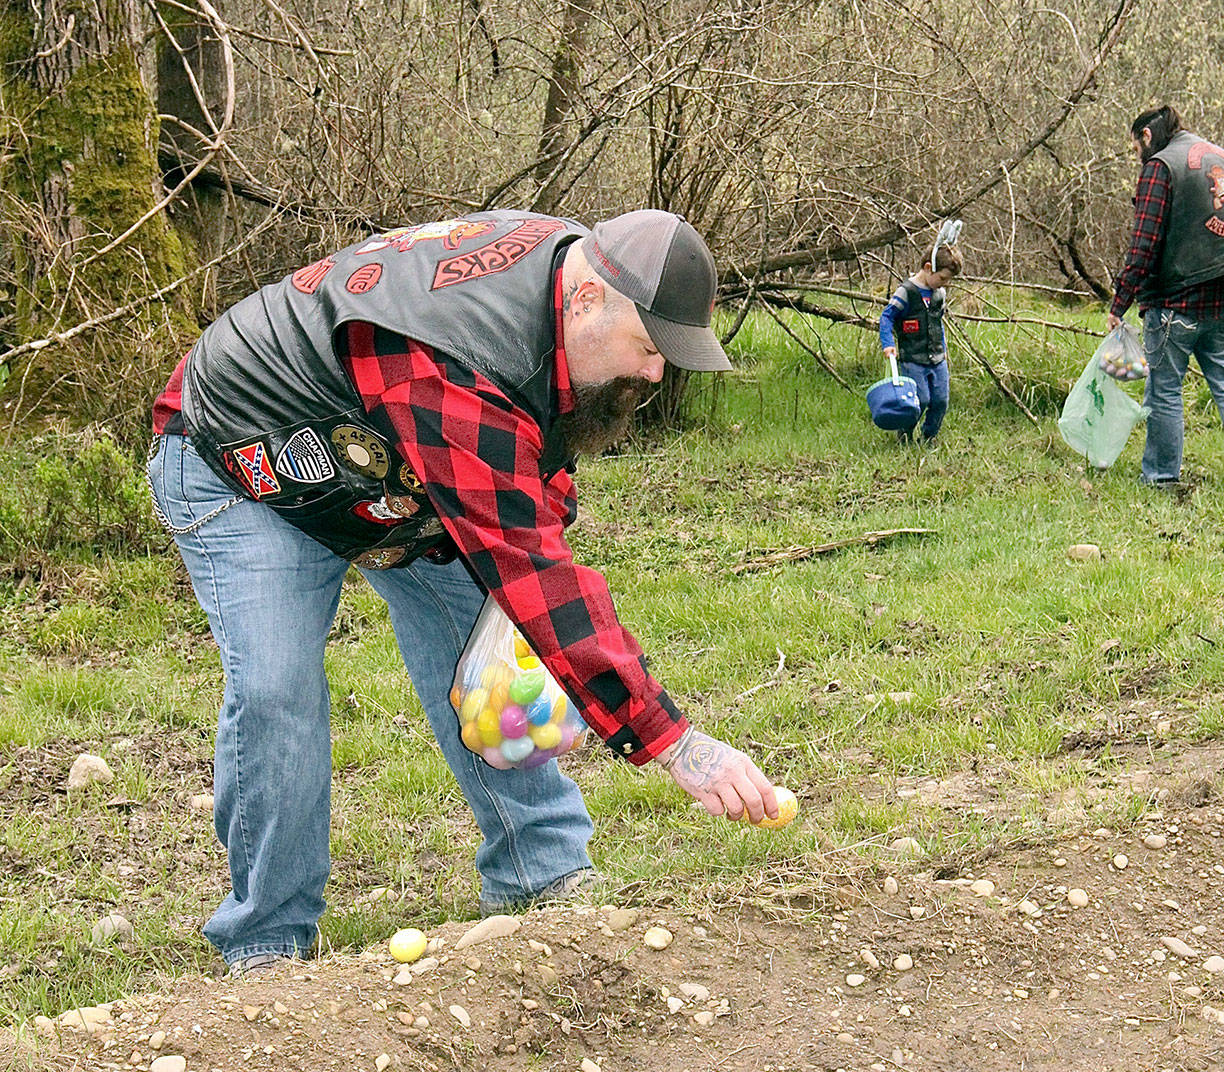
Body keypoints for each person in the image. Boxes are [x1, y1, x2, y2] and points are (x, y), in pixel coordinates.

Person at [147, 209, 782, 974]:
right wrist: (673, 742)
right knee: (277, 686)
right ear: (586, 302)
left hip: (392, 471)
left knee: (493, 667)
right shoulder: (447, 353)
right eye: (649, 349)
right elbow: (533, 567)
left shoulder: (564, 279)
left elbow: (527, 455)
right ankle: (266, 942)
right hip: (246, 456)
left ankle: (541, 873)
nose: (654, 375)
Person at [1106, 105, 1224, 491]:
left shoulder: (1160, 166)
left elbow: (1144, 244)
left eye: (1135, 149)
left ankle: (1162, 477)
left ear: (1146, 137)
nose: (1138, 158)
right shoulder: (1222, 157)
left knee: (1164, 388)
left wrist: (1120, 302)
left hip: (1177, 303)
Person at [879, 243, 963, 443]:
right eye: (942, 278)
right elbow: (887, 317)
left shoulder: (939, 294)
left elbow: (937, 322)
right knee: (920, 399)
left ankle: (928, 437)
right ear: (927, 268)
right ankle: (905, 435)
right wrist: (888, 343)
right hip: (912, 358)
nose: (945, 284)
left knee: (941, 400)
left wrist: (944, 348)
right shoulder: (906, 292)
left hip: (937, 357)